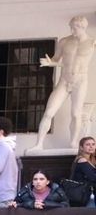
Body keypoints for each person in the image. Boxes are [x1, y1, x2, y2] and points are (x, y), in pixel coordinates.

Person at [30, 16, 95, 153]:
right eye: (71, 27)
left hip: (80, 80)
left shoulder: (92, 42)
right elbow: (56, 59)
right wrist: (50, 63)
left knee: (76, 114)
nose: (72, 30)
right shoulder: (64, 41)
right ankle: (39, 144)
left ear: (83, 27)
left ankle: (73, 143)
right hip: (64, 80)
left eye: (75, 28)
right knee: (49, 112)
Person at [70, 136, 96, 215]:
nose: (91, 147)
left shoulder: (91, 160)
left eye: (93, 144)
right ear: (81, 147)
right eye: (88, 144)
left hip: (88, 194)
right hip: (85, 195)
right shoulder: (81, 160)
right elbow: (93, 177)